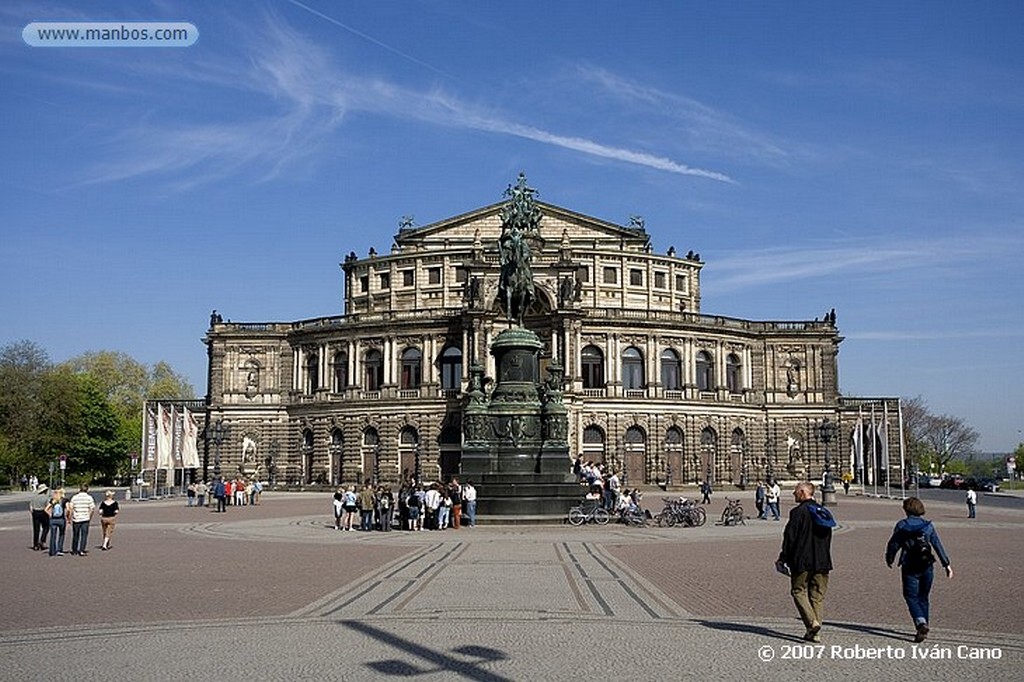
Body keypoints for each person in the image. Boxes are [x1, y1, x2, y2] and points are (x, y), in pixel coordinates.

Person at [885, 497, 953, 642]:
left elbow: (894, 544)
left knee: (910, 596)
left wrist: (889, 558)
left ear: (906, 509)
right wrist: (946, 564)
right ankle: (923, 629)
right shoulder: (927, 525)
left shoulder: (902, 525)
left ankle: (920, 622)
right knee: (923, 598)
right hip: (927, 564)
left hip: (909, 565)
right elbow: (937, 544)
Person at [776, 481, 833, 642]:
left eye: (795, 491)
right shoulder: (823, 512)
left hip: (802, 561)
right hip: (822, 561)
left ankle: (811, 622)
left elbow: (790, 538)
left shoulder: (798, 512)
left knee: (798, 591)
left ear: (802, 492)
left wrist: (783, 557)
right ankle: (814, 633)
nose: (794, 494)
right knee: (817, 596)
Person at [68, 484, 96, 556]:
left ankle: (74, 550)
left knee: (75, 535)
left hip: (76, 518)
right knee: (84, 535)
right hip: (85, 518)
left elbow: (70, 508)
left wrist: (69, 518)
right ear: (87, 489)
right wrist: (89, 516)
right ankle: (82, 550)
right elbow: (92, 508)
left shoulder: (74, 497)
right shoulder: (89, 498)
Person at [46, 488, 68, 557]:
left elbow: (46, 509)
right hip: (61, 519)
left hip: (53, 519)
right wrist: (67, 517)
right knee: (61, 534)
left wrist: (50, 515)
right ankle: (59, 549)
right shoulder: (64, 500)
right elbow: (68, 509)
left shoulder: (53, 500)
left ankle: (52, 551)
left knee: (53, 535)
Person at [29, 483, 51, 550]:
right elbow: (47, 506)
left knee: (36, 529)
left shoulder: (34, 497)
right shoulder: (46, 497)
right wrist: (49, 514)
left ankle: (35, 544)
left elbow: (30, 506)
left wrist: (32, 512)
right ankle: (42, 540)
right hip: (43, 512)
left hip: (35, 512)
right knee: (46, 527)